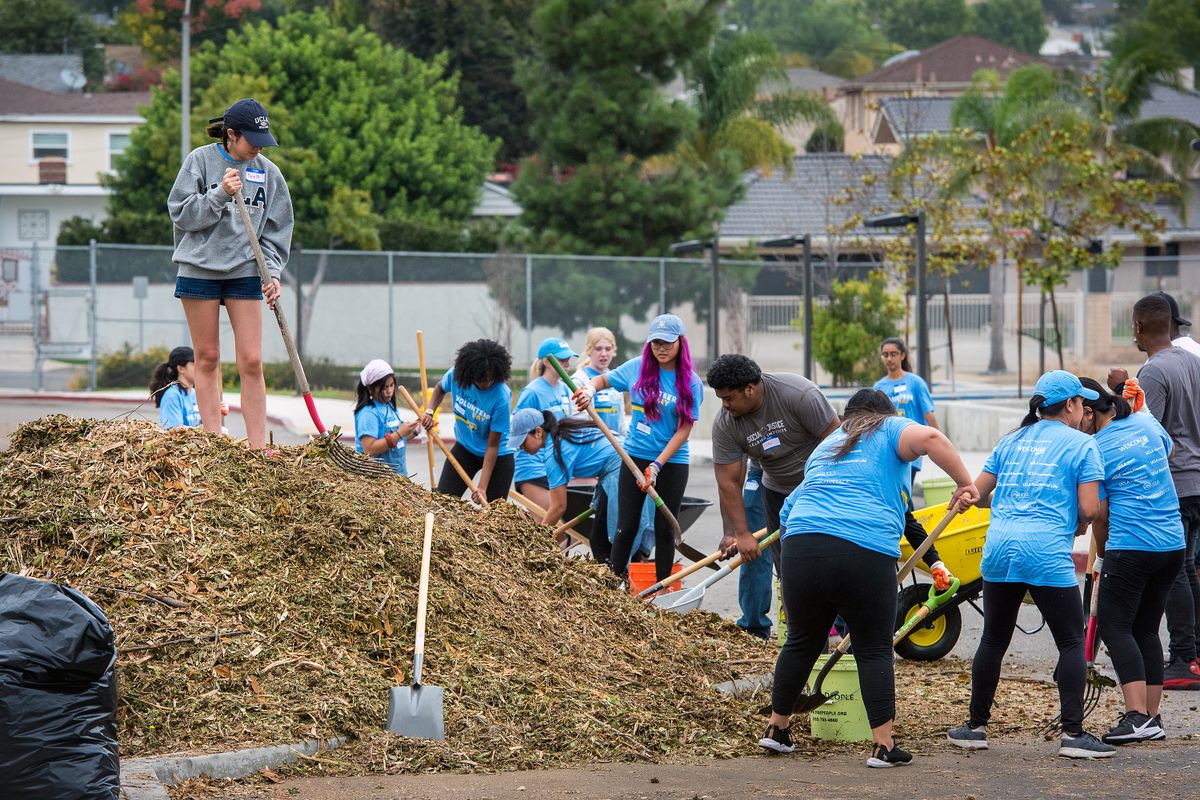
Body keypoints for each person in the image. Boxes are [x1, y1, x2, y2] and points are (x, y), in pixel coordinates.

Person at [760, 389, 977, 768]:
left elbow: (789, 507)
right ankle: (883, 746)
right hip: (863, 546)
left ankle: (776, 730)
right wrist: (965, 483)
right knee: (873, 647)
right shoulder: (891, 428)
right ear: (885, 414)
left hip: (802, 546)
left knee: (801, 641)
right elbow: (931, 438)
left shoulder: (826, 445)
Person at [947, 370, 1115, 759]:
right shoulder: (1081, 446)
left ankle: (975, 727)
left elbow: (977, 491)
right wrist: (1078, 520)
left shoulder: (1011, 440)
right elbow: (1090, 507)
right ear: (1072, 405)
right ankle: (1073, 734)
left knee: (993, 638)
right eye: (1080, 404)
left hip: (1000, 550)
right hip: (1044, 552)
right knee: (1071, 641)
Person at [168, 98, 293, 450]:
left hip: (244, 271)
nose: (257, 147)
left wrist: (272, 271)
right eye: (251, 139)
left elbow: (278, 228)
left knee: (251, 360)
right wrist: (220, 193)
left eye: (262, 141)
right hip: (200, 269)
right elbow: (181, 214)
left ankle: (258, 449)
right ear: (231, 134)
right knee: (206, 357)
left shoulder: (267, 172)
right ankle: (213, 444)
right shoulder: (199, 161)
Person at [1078, 377, 1184, 743]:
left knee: (1114, 625)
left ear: (1089, 412)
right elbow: (1168, 452)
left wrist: (1104, 557)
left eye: (1076, 413)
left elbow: (1100, 515)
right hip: (1172, 543)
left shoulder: (1095, 449)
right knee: (1145, 629)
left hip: (1132, 545)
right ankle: (1153, 717)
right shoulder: (1142, 419)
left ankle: (1136, 715)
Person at [708, 354, 840, 639]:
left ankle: (845, 630)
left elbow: (837, 441)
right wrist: (739, 533)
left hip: (821, 486)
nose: (725, 406)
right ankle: (803, 635)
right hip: (777, 490)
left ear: (750, 389)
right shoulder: (726, 423)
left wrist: (823, 488)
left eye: (728, 398)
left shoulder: (798, 394)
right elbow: (729, 482)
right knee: (789, 568)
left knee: (832, 557)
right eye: (720, 399)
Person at [574, 314, 703, 581]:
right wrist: (588, 389)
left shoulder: (690, 381)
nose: (661, 349)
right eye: (656, 343)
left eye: (667, 343)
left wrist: (657, 465)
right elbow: (602, 381)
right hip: (634, 457)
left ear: (680, 342)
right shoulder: (637, 368)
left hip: (671, 462)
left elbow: (684, 429)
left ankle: (661, 589)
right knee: (626, 526)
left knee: (664, 529)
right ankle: (614, 585)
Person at [1118, 294, 1200, 689]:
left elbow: (1149, 433)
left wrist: (1120, 394)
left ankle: (1184, 658)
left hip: (1178, 483)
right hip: (1198, 479)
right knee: (1190, 569)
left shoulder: (1151, 373)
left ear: (1137, 327)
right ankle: (1193, 652)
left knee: (1180, 571)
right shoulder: (1191, 361)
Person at [508, 407, 625, 544]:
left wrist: (537, 541)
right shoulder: (564, 430)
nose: (521, 447)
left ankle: (629, 565)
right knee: (598, 538)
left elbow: (558, 507)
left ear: (538, 432)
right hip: (621, 457)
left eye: (522, 441)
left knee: (615, 537)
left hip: (620, 466)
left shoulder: (555, 454)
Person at [421, 339, 515, 504]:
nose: (486, 384)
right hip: (465, 449)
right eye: (481, 380)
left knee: (493, 516)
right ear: (469, 375)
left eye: (490, 379)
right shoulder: (457, 376)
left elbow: (493, 445)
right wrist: (429, 411)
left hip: (498, 456)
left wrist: (482, 488)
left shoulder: (501, 396)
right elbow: (439, 389)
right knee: (442, 503)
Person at [513, 338, 578, 510]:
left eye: (568, 359)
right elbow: (518, 429)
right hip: (533, 468)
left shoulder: (564, 389)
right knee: (549, 524)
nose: (567, 364)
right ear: (547, 362)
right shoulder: (532, 392)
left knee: (558, 527)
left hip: (555, 465)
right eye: (562, 359)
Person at [354, 359, 419, 476]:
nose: (389, 391)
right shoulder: (368, 414)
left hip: (398, 476)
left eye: (391, 385)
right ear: (370, 388)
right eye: (384, 387)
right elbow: (369, 449)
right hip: (377, 480)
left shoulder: (390, 406)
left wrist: (416, 429)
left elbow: (398, 441)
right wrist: (399, 433)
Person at [150, 346, 201, 430]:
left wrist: (217, 412)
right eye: (194, 364)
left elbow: (205, 427)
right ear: (181, 368)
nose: (200, 368)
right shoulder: (172, 396)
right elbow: (175, 431)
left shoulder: (195, 394)